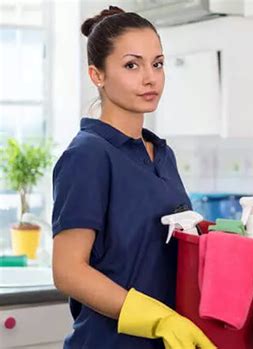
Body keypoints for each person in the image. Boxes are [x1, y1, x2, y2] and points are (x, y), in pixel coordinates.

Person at [51, 6, 215, 349]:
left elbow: (160, 245)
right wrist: (158, 320)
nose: (150, 78)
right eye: (131, 65)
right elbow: (68, 270)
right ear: (97, 75)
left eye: (157, 64)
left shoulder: (161, 154)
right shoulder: (88, 155)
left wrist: (241, 236)